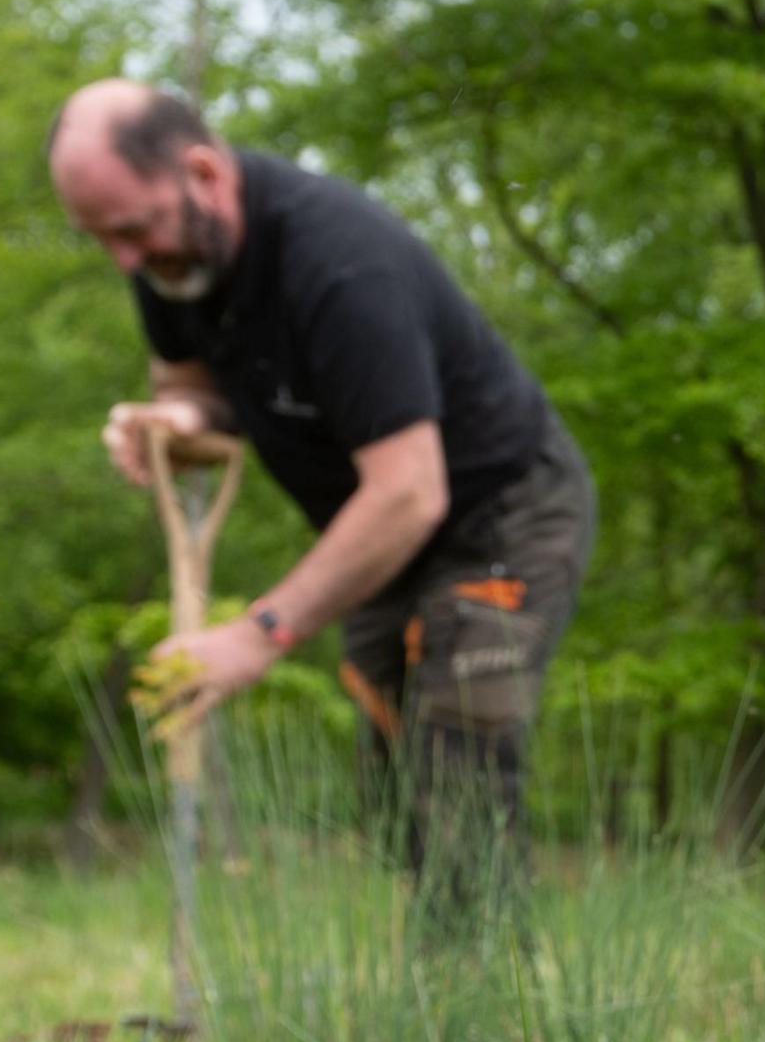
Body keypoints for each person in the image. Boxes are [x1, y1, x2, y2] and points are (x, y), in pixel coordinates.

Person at [55, 80, 594, 930]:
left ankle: (488, 1027)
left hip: (501, 514)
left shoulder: (338, 263)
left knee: (458, 763)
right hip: (384, 536)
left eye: (133, 228)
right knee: (395, 788)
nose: (126, 258)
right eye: (100, 239)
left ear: (201, 171)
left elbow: (412, 488)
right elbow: (191, 383)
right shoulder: (173, 262)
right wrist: (177, 420)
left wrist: (259, 632)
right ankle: (430, 1002)